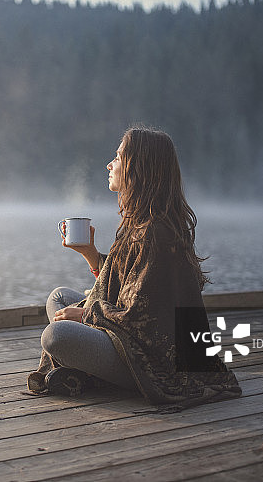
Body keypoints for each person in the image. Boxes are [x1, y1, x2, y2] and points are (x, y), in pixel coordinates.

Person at [28, 126, 241, 411]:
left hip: (157, 360)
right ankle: (86, 367)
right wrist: (90, 254)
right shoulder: (139, 221)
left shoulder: (157, 232)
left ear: (138, 168)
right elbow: (126, 284)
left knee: (56, 336)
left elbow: (142, 316)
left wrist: (86, 314)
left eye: (117, 157)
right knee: (60, 298)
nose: (109, 164)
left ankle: (91, 372)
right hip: (130, 335)